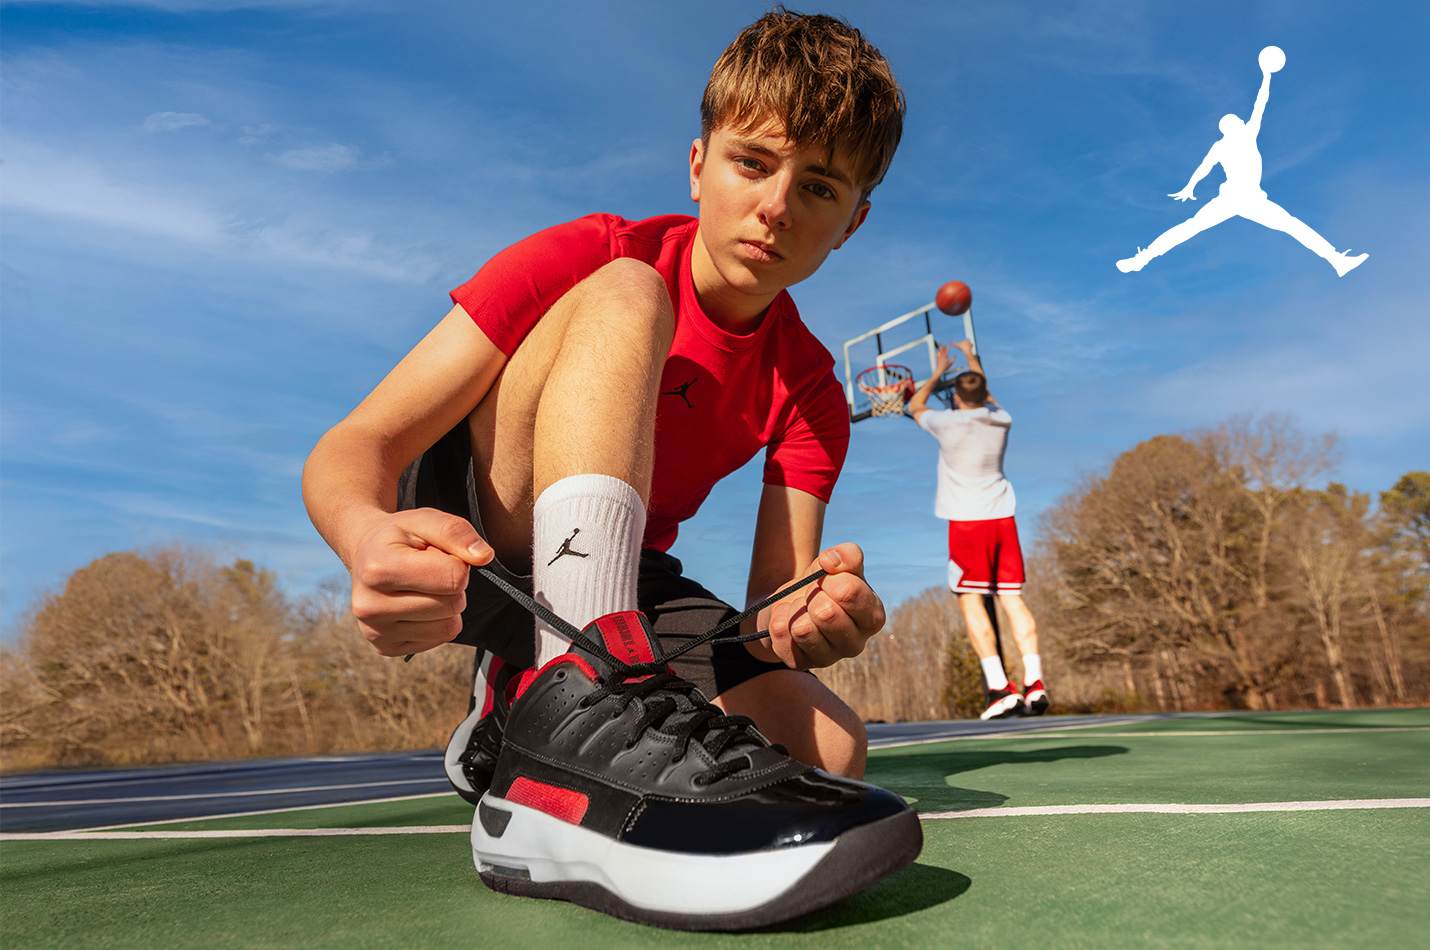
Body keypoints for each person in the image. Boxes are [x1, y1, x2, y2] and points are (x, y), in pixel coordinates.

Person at [301, 9, 921, 930]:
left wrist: (810, 617)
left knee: (827, 749)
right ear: (699, 163)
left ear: (853, 223)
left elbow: (769, 614)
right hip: (482, 535)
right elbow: (355, 445)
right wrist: (364, 534)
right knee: (636, 294)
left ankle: (528, 713)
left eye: (820, 186)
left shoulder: (813, 393)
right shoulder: (596, 252)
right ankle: (576, 704)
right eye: (753, 163)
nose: (778, 206)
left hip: (623, 574)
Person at [1115, 49, 1367, 277]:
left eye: (1237, 120)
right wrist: (1190, 186)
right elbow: (1205, 166)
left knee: (1293, 226)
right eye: (1233, 121)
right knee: (1188, 229)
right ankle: (1142, 258)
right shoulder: (1226, 143)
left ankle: (1336, 260)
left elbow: (1261, 103)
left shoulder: (1245, 134)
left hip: (1253, 199)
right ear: (1227, 127)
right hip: (1230, 199)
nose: (1238, 122)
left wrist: (1267, 76)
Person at [907, 340, 1050, 721]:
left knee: (971, 601)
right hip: (1004, 520)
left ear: (956, 395)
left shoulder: (946, 423)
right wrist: (972, 360)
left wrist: (938, 371)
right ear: (984, 393)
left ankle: (1000, 688)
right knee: (1012, 599)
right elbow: (987, 395)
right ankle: (1035, 682)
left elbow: (914, 406)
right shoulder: (1001, 419)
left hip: (968, 524)